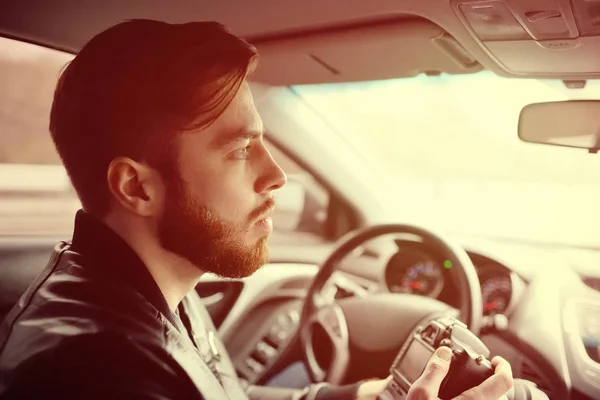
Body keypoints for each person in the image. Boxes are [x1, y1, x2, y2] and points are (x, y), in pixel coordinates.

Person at [0, 20, 514, 400]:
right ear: (136, 186)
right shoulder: (91, 372)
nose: (278, 176)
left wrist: (368, 395)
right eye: (240, 150)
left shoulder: (153, 285)